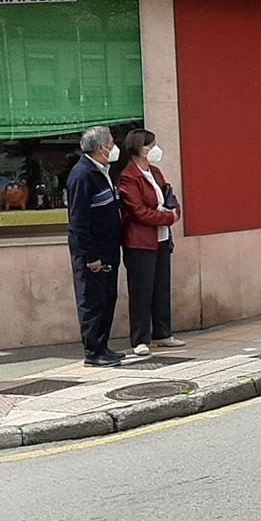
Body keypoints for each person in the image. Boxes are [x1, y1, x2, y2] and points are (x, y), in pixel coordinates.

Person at [116, 128, 183, 355]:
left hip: (162, 239)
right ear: (141, 149)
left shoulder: (155, 172)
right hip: (140, 243)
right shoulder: (128, 177)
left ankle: (163, 333)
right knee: (142, 291)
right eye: (152, 145)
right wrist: (168, 216)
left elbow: (169, 197)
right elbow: (138, 212)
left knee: (161, 288)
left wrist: (173, 212)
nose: (156, 149)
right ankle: (140, 339)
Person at [66, 124, 125, 366]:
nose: (114, 147)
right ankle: (93, 352)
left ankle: (103, 347)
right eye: (111, 143)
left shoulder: (103, 171)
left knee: (107, 298)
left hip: (110, 249)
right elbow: (78, 221)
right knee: (92, 302)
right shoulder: (82, 175)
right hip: (93, 253)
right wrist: (91, 255)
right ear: (101, 148)